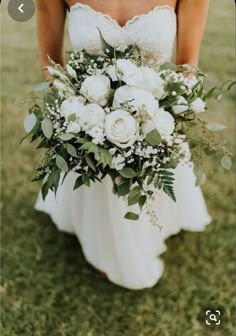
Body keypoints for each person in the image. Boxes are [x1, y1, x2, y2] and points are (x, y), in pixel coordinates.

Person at [35, 0, 211, 290]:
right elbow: (51, 64)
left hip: (154, 122)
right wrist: (85, 120)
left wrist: (157, 120)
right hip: (89, 123)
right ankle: (101, 240)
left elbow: (187, 63)